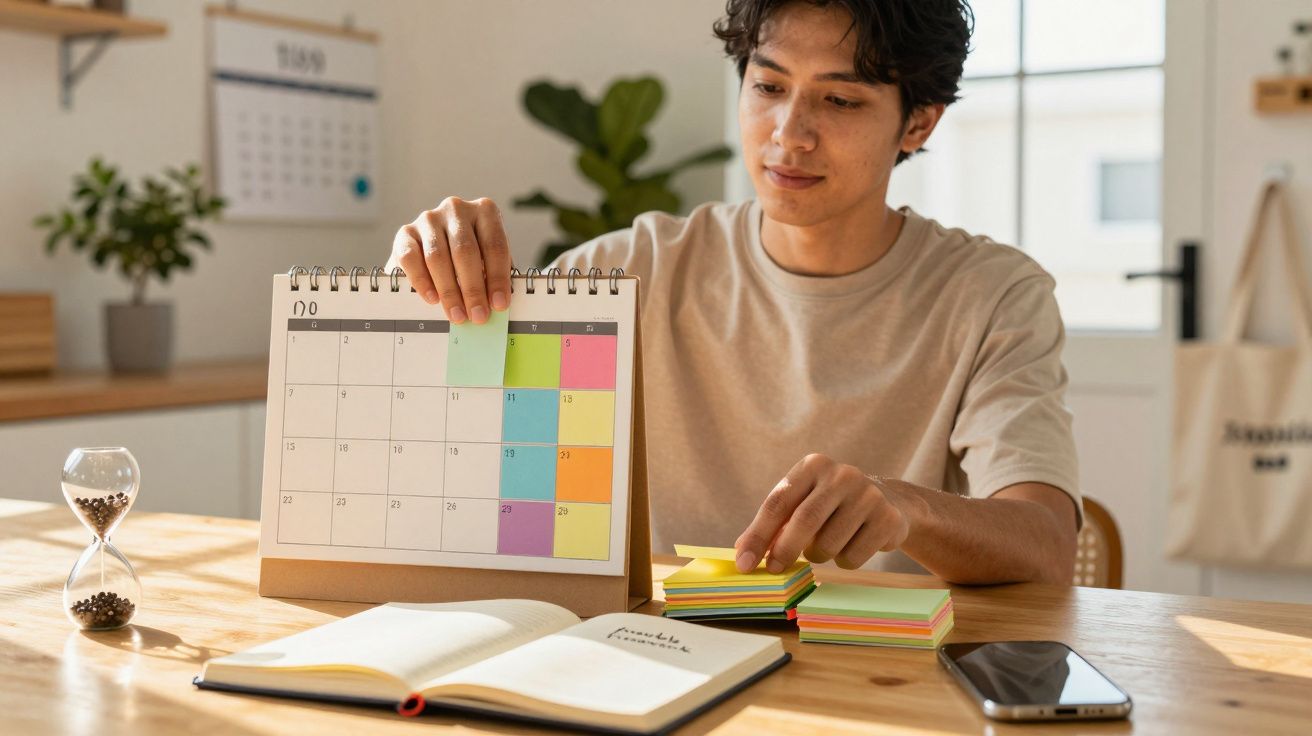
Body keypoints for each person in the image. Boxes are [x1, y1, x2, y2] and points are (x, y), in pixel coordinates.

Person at [386, 0, 1081, 585]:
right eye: (769, 87)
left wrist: (907, 509)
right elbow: (437, 434)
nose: (790, 135)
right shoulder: (630, 269)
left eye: (840, 100)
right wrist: (415, 282)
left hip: (874, 670)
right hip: (657, 654)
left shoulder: (992, 294)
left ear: (919, 122)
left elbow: (1047, 543)